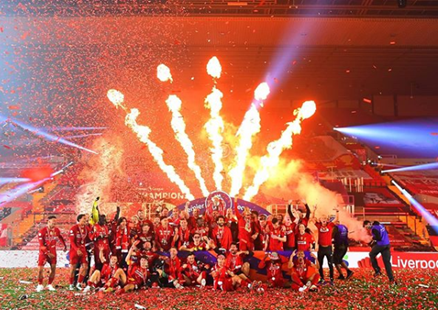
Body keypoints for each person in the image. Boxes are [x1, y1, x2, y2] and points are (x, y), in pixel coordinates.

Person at [36, 215, 67, 292]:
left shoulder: (56, 230)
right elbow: (41, 245)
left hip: (53, 252)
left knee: (53, 269)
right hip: (43, 253)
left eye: (55, 222)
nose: (54, 224)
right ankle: (40, 285)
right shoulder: (42, 231)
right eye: (53, 222)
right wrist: (47, 252)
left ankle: (49, 284)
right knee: (40, 270)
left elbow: (60, 237)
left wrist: (64, 245)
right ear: (48, 222)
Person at [69, 214, 89, 290]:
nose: (85, 220)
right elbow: (71, 241)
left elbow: (90, 238)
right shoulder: (73, 228)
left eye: (86, 219)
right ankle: (71, 284)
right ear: (79, 219)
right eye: (84, 219)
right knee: (73, 268)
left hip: (83, 250)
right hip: (74, 251)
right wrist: (77, 249)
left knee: (85, 267)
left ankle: (79, 283)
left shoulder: (87, 229)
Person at [314, 215, 336, 285]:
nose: (324, 220)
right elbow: (313, 218)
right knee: (320, 264)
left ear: (327, 220)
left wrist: (337, 212)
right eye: (322, 218)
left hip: (328, 248)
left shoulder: (330, 225)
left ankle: (331, 279)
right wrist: (314, 210)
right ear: (320, 220)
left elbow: (337, 221)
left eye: (325, 219)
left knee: (330, 264)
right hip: (321, 248)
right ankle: (321, 278)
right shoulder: (318, 226)